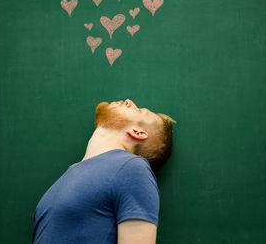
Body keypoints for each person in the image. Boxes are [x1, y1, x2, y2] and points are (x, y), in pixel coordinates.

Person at [32, 99, 176, 244]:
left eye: (139, 111)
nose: (128, 101)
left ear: (137, 132)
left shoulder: (132, 170)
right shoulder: (69, 175)